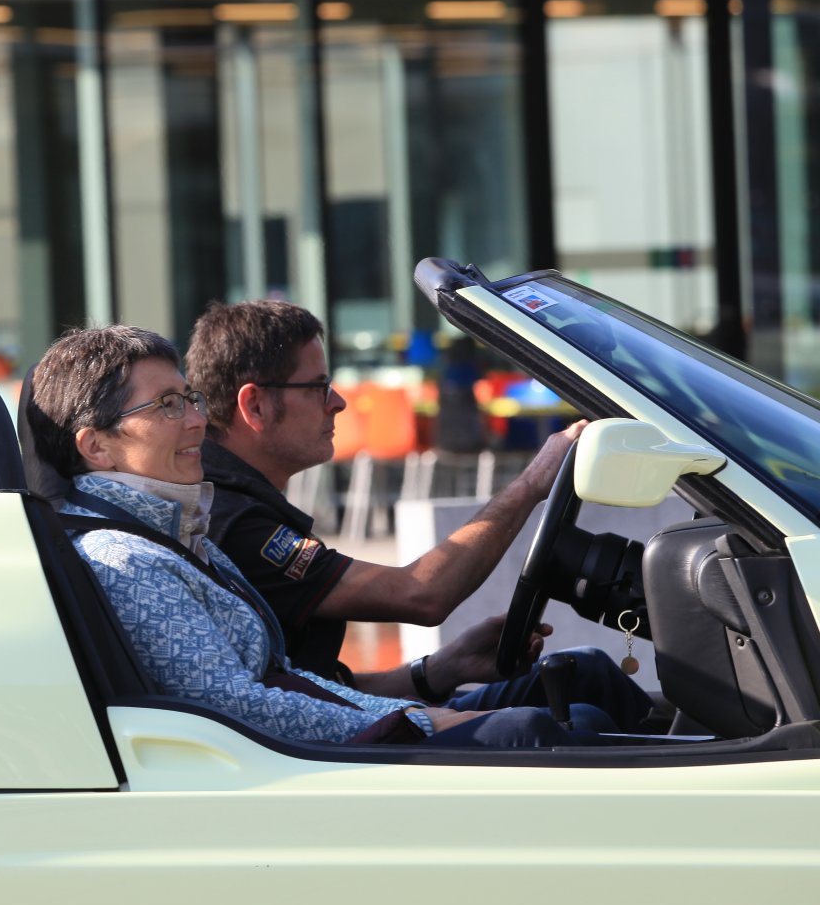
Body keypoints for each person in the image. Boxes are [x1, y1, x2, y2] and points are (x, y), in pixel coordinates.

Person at [25, 324, 619, 748]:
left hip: (321, 746)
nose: (197, 419)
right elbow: (235, 711)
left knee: (580, 688)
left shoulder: (180, 533)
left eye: (190, 399)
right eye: (167, 405)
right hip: (298, 772)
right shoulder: (129, 558)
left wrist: (427, 684)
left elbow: (282, 676)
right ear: (96, 445)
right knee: (550, 728)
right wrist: (419, 718)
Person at [185, 300, 652, 729]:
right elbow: (421, 594)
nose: (338, 402)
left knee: (586, 673)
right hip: (329, 754)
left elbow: (323, 688)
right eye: (318, 387)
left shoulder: (238, 505)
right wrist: (530, 485)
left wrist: (440, 669)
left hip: (339, 731)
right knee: (562, 725)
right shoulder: (232, 521)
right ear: (256, 405)